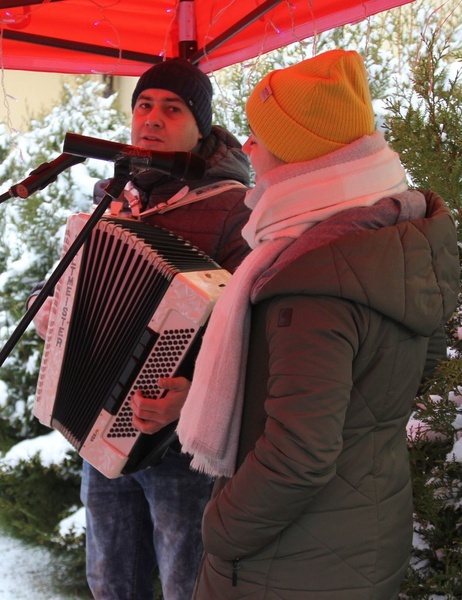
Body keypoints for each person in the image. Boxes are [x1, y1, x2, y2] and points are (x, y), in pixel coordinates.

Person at [173, 49, 460, 599]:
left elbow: (299, 454)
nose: (247, 145)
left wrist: (221, 527)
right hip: (366, 529)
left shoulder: (311, 276)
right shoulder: (391, 239)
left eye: (261, 135)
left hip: (288, 562)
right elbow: (418, 365)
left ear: (300, 157)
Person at [30, 58, 251, 599]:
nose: (152, 117)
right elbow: (69, 286)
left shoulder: (233, 209)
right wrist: (48, 310)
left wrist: (192, 393)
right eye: (144, 105)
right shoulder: (116, 196)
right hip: (101, 429)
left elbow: (252, 329)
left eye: (172, 109)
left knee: (185, 582)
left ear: (201, 126)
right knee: (110, 581)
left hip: (179, 442)